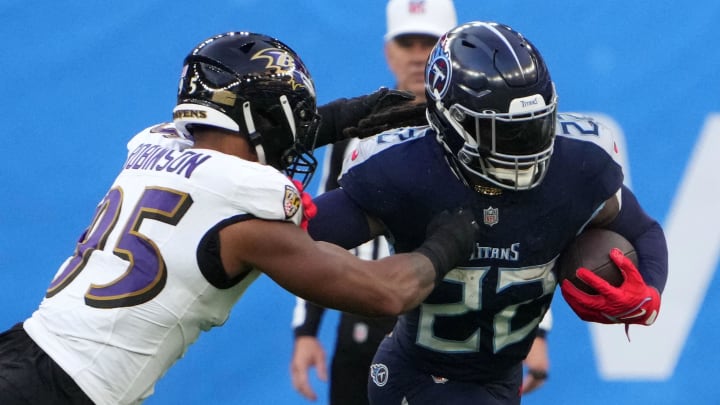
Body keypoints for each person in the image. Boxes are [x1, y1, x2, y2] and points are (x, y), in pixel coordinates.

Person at [0, 31, 480, 405]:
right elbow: (385, 292)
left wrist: (346, 115)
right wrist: (454, 235)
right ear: (259, 120)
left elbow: (235, 143)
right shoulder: (246, 217)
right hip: (63, 391)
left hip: (22, 347)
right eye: (286, 119)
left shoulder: (156, 146)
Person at [306, 21, 668, 405]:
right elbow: (297, 235)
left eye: (535, 126)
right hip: (417, 377)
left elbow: (644, 231)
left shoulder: (577, 166)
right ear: (452, 123)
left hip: (501, 381)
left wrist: (647, 291)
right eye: (505, 133)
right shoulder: (404, 171)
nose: (526, 147)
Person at [289, 1, 457, 404]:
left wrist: (535, 333)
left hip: (454, 323)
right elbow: (315, 233)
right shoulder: (355, 133)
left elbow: (521, 223)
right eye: (407, 42)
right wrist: (307, 331)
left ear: (450, 49)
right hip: (362, 319)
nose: (418, 54)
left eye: (429, 42)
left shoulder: (478, 130)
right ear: (389, 51)